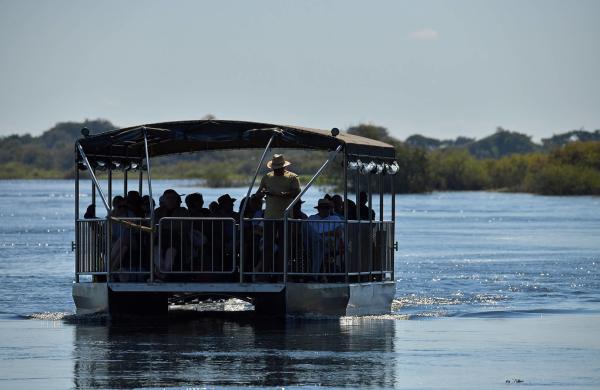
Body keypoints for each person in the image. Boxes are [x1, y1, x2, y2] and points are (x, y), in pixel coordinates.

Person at [255, 154, 301, 273]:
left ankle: (282, 274)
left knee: (284, 247)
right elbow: (258, 193)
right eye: (274, 167)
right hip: (269, 217)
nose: (276, 169)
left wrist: (278, 194)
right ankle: (265, 273)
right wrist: (261, 194)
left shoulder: (293, 177)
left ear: (283, 167)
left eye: (279, 167)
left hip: (285, 217)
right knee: (267, 247)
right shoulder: (267, 177)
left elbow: (296, 193)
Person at [307, 199, 344, 275]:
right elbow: (306, 232)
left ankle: (315, 275)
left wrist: (322, 235)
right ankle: (314, 274)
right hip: (313, 244)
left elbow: (338, 233)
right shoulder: (312, 218)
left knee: (320, 247)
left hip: (330, 245)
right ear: (318, 209)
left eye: (327, 208)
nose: (325, 210)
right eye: (322, 208)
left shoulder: (335, 219)